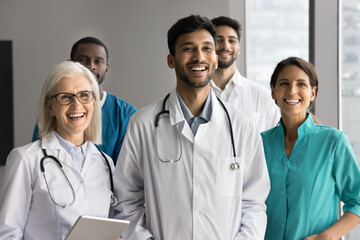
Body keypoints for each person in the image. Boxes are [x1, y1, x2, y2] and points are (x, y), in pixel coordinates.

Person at [113, 15, 270, 240]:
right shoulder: (143, 123)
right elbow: (126, 199)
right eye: (188, 49)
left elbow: (254, 202)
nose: (199, 57)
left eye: (207, 49)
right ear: (171, 59)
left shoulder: (242, 126)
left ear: (215, 59)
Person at [0, 61, 116, 239]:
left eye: (84, 95)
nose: (76, 105)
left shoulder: (105, 163)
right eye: (65, 97)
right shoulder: (25, 159)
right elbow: (7, 234)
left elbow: (112, 226)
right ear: (50, 106)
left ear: (93, 103)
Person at [261, 56, 360, 240]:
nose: (292, 91)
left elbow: (357, 200)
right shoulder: (259, 144)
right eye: (284, 83)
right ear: (273, 91)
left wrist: (326, 236)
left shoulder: (333, 141)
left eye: (301, 84)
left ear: (313, 93)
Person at [32, 37, 137, 163]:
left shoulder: (126, 114)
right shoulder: (56, 107)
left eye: (98, 61)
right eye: (83, 60)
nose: (91, 66)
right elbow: (38, 154)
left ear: (107, 68)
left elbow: (126, 169)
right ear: (70, 64)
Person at [211, 16, 280, 132]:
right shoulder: (195, 93)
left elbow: (274, 141)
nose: (226, 46)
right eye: (219, 40)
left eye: (232, 40)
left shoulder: (261, 96)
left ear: (239, 48)